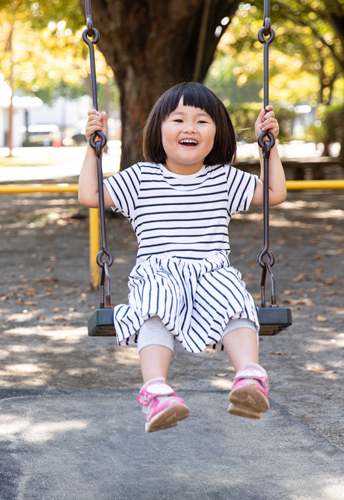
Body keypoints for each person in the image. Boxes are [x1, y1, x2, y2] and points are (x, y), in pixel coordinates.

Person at [78, 82, 286, 432]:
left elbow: (273, 193)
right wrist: (93, 148)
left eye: (202, 121)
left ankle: (249, 376)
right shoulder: (142, 177)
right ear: (159, 130)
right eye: (178, 119)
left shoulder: (223, 178)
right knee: (154, 304)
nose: (190, 128)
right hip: (159, 271)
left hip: (211, 270)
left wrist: (270, 148)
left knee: (235, 300)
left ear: (217, 135)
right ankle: (157, 391)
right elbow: (90, 194)